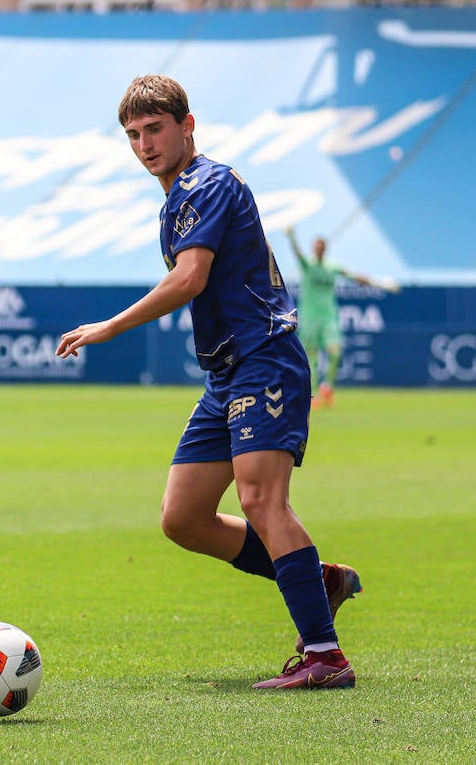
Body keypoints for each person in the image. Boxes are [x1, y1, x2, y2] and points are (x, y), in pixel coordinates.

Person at [56, 76, 360, 690]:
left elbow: (191, 278)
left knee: (260, 500)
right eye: (133, 135)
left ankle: (325, 656)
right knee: (184, 517)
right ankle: (318, 579)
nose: (145, 144)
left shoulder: (208, 183)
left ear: (187, 125)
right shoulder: (177, 198)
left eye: (155, 129)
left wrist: (110, 326)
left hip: (264, 358)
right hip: (227, 372)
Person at [285, 226, 398, 408]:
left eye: (321, 246)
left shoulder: (333, 267)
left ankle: (327, 387)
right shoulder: (308, 265)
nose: (319, 249)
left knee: (335, 351)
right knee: (311, 357)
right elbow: (297, 254)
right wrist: (291, 236)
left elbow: (354, 277)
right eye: (316, 246)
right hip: (310, 316)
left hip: (329, 317)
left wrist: (380, 283)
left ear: (325, 249)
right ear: (313, 248)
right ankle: (313, 395)